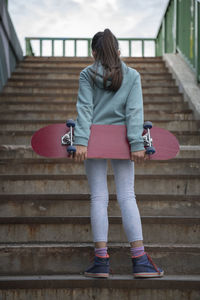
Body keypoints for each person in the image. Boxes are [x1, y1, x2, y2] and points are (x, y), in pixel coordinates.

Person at [72, 28, 164, 278]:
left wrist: (80, 141)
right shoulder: (132, 75)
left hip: (93, 142)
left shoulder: (87, 74)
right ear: (118, 51)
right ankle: (140, 259)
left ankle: (101, 261)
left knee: (99, 198)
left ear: (93, 52)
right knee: (127, 196)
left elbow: (85, 109)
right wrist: (136, 143)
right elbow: (134, 112)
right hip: (123, 141)